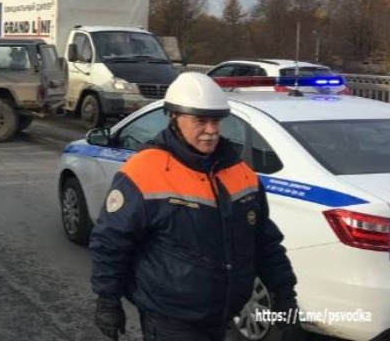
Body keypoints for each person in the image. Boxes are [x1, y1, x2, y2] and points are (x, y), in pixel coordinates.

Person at [89, 72, 300, 341]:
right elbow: (111, 241)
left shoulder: (240, 172)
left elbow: (264, 242)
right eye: (200, 121)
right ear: (174, 119)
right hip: (170, 320)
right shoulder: (144, 172)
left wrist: (285, 296)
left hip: (223, 315)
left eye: (216, 121)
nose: (211, 130)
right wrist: (108, 298)